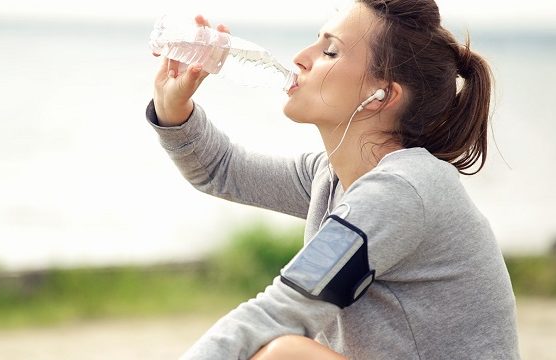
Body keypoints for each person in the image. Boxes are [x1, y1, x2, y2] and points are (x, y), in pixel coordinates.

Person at [145, 0, 519, 359]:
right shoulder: (332, 177)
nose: (300, 58)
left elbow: (283, 310)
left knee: (284, 354)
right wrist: (173, 111)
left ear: (381, 95)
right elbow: (221, 170)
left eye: (330, 51)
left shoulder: (402, 192)